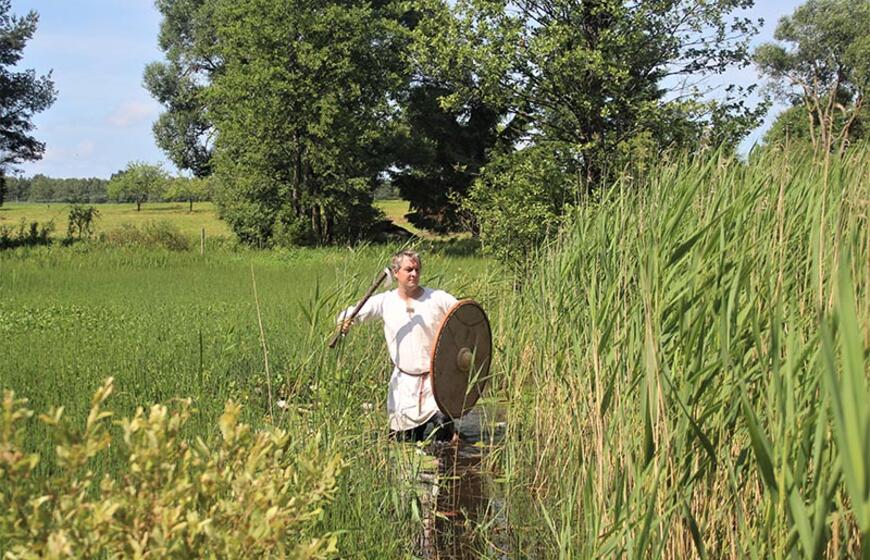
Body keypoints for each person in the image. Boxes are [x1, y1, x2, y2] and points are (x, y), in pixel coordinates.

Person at [338, 249, 458, 442]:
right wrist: (344, 321)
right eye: (409, 269)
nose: (414, 274)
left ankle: (447, 468)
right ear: (396, 273)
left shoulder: (437, 298)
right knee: (404, 442)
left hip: (435, 382)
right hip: (404, 385)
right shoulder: (385, 301)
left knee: (444, 436)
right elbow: (352, 313)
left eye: (417, 269)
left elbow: (465, 315)